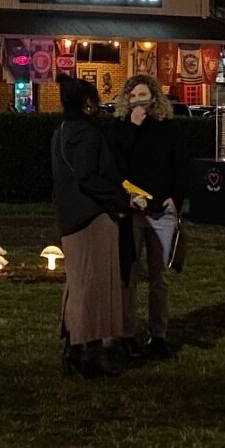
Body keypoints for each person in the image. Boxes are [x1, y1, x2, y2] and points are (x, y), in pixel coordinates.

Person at [50, 75, 138, 377]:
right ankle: (89, 352)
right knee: (94, 287)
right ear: (88, 102)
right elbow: (88, 177)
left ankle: (74, 347)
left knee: (78, 285)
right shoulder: (88, 135)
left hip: (70, 218)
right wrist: (122, 201)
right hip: (93, 218)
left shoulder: (60, 133)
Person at [113, 74, 187, 358]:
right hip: (133, 211)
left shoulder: (167, 129)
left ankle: (158, 335)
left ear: (154, 98)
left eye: (143, 95)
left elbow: (180, 165)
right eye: (133, 96)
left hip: (161, 213)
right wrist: (132, 127)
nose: (138, 101)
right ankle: (126, 333)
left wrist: (175, 198)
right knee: (128, 276)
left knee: (159, 277)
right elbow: (117, 163)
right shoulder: (120, 128)